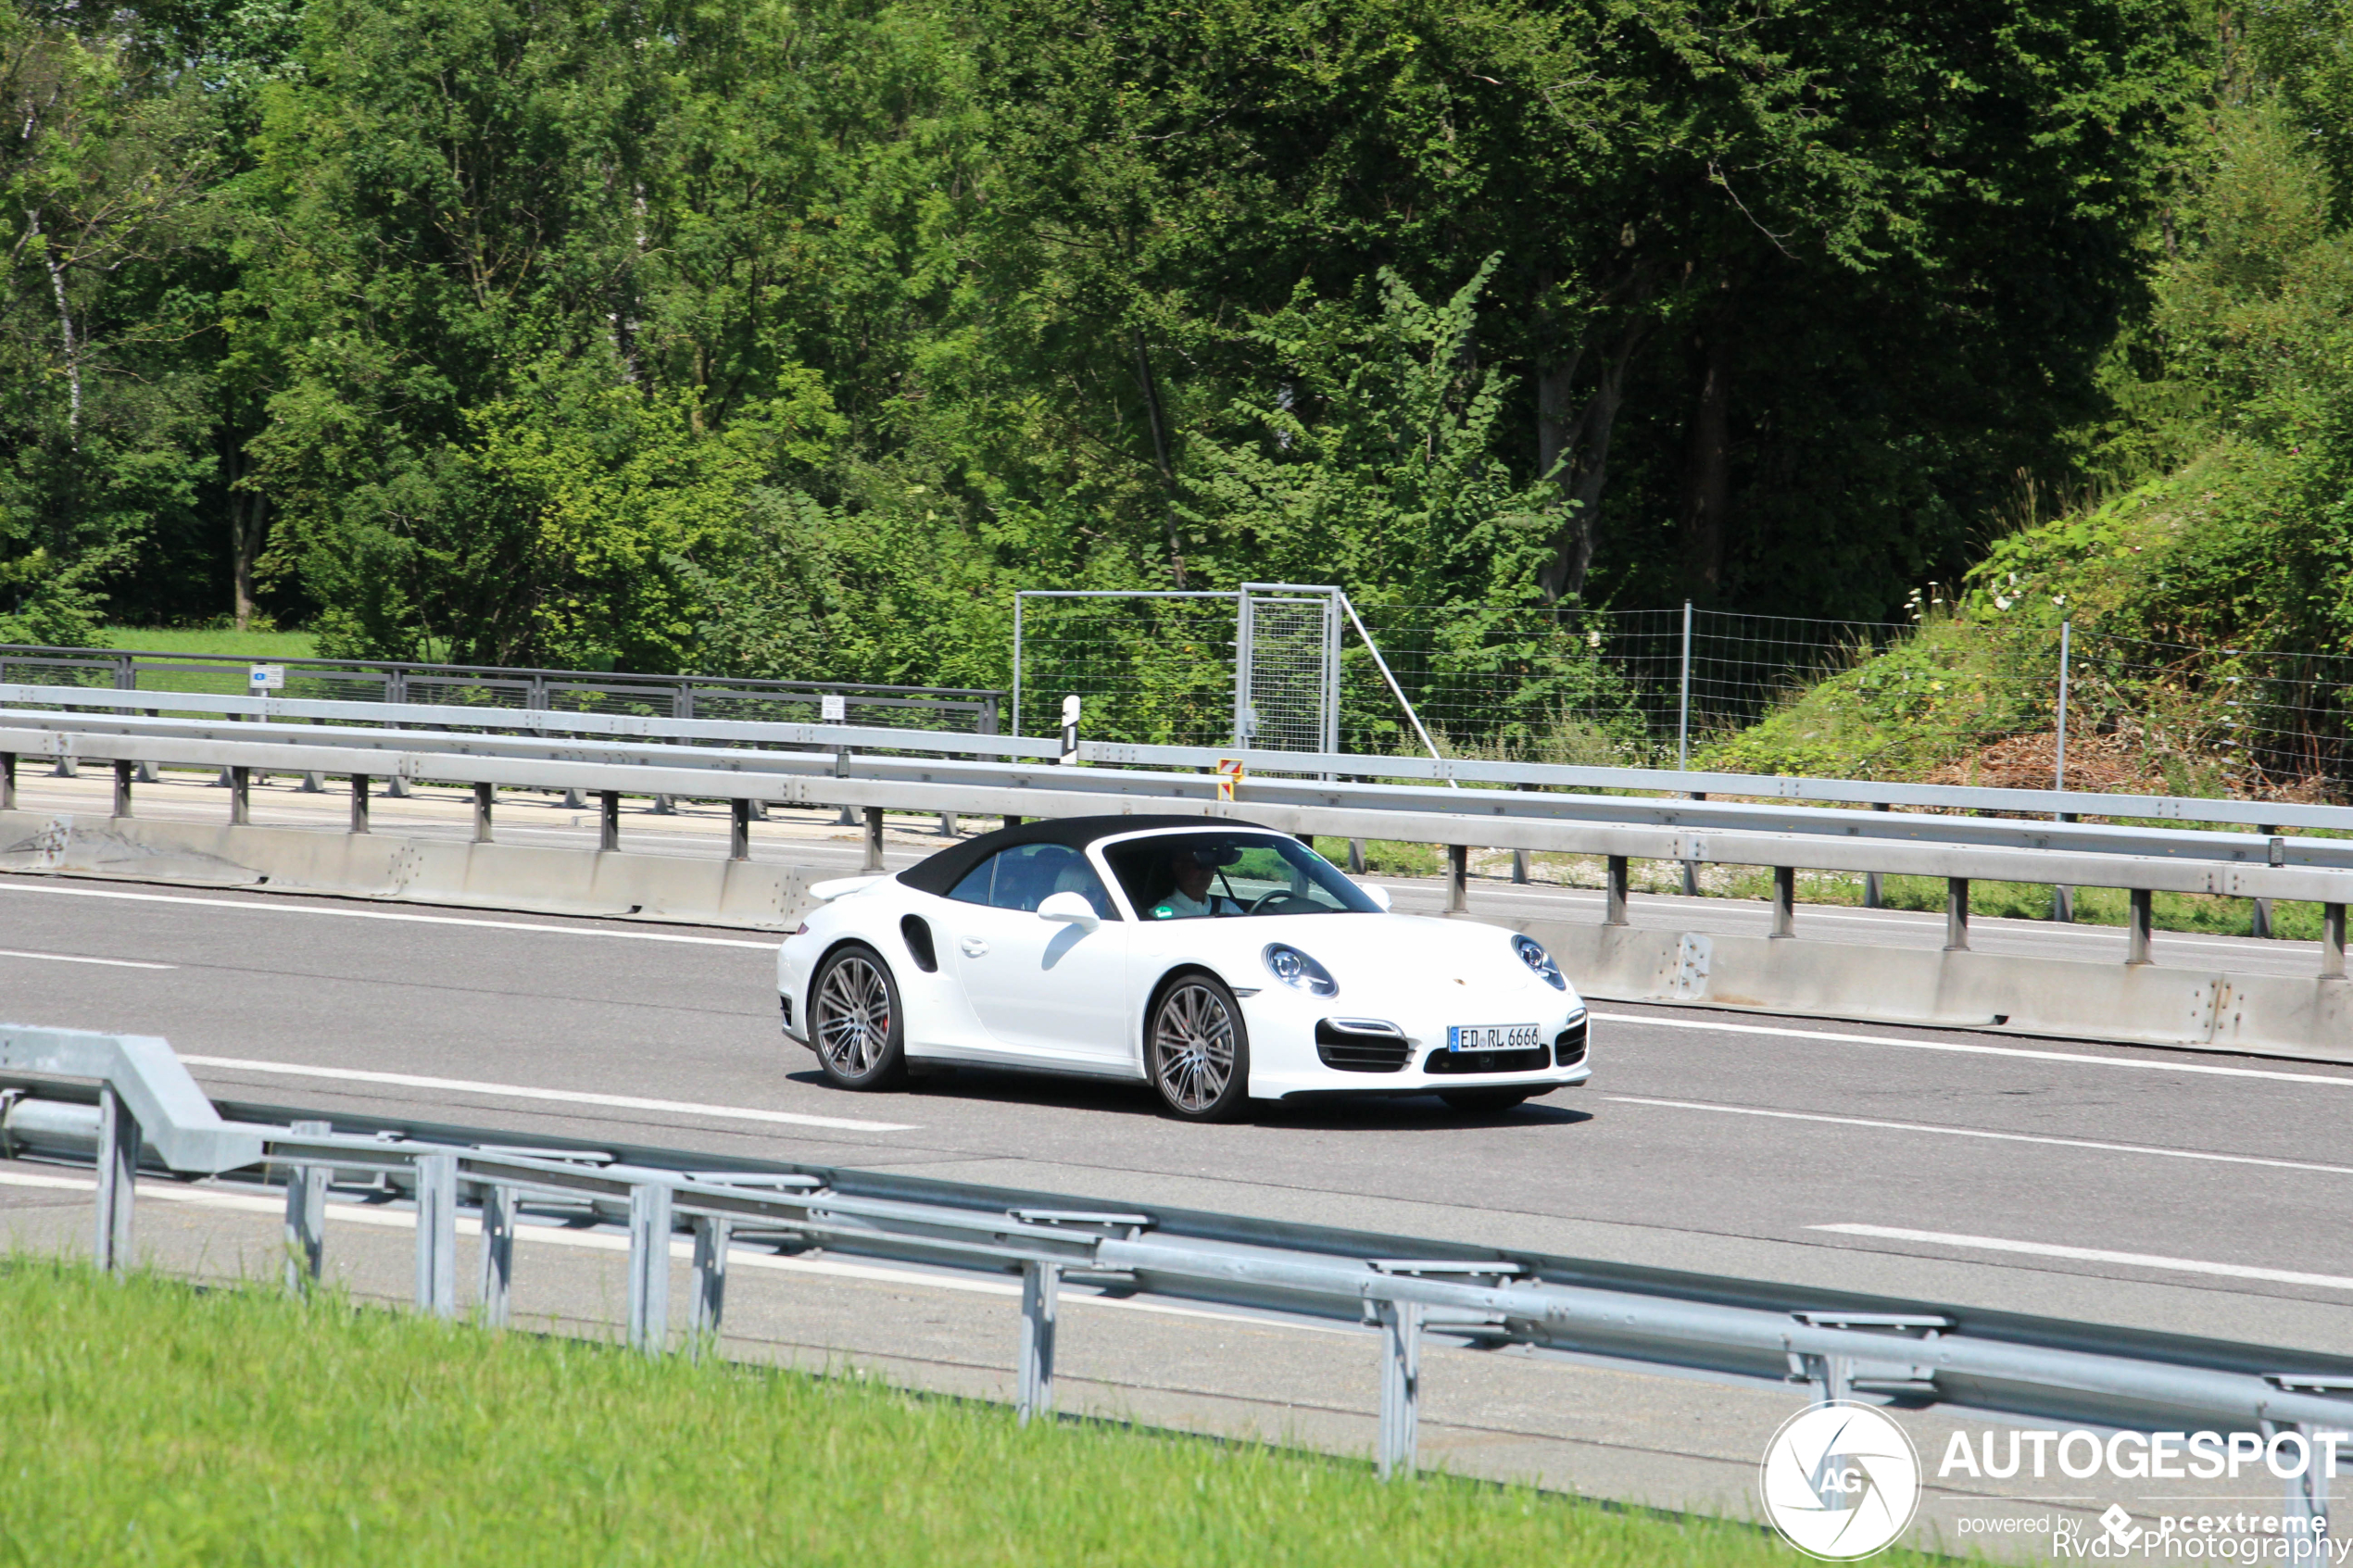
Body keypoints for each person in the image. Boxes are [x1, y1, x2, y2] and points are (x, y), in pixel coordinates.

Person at [1154, 847, 1241, 919]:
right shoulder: (1161, 914)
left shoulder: (1226, 907)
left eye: (1212, 866)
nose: (1208, 872)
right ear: (1178, 867)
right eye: (1200, 865)